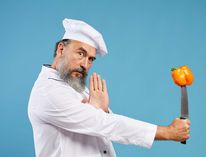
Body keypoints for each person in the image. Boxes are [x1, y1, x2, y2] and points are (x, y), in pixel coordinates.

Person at [28, 18, 190, 157]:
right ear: (61, 49)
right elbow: (105, 124)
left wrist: (102, 110)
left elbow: (102, 123)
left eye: (91, 59)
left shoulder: (72, 83)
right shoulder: (48, 93)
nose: (85, 64)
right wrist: (168, 132)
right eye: (80, 53)